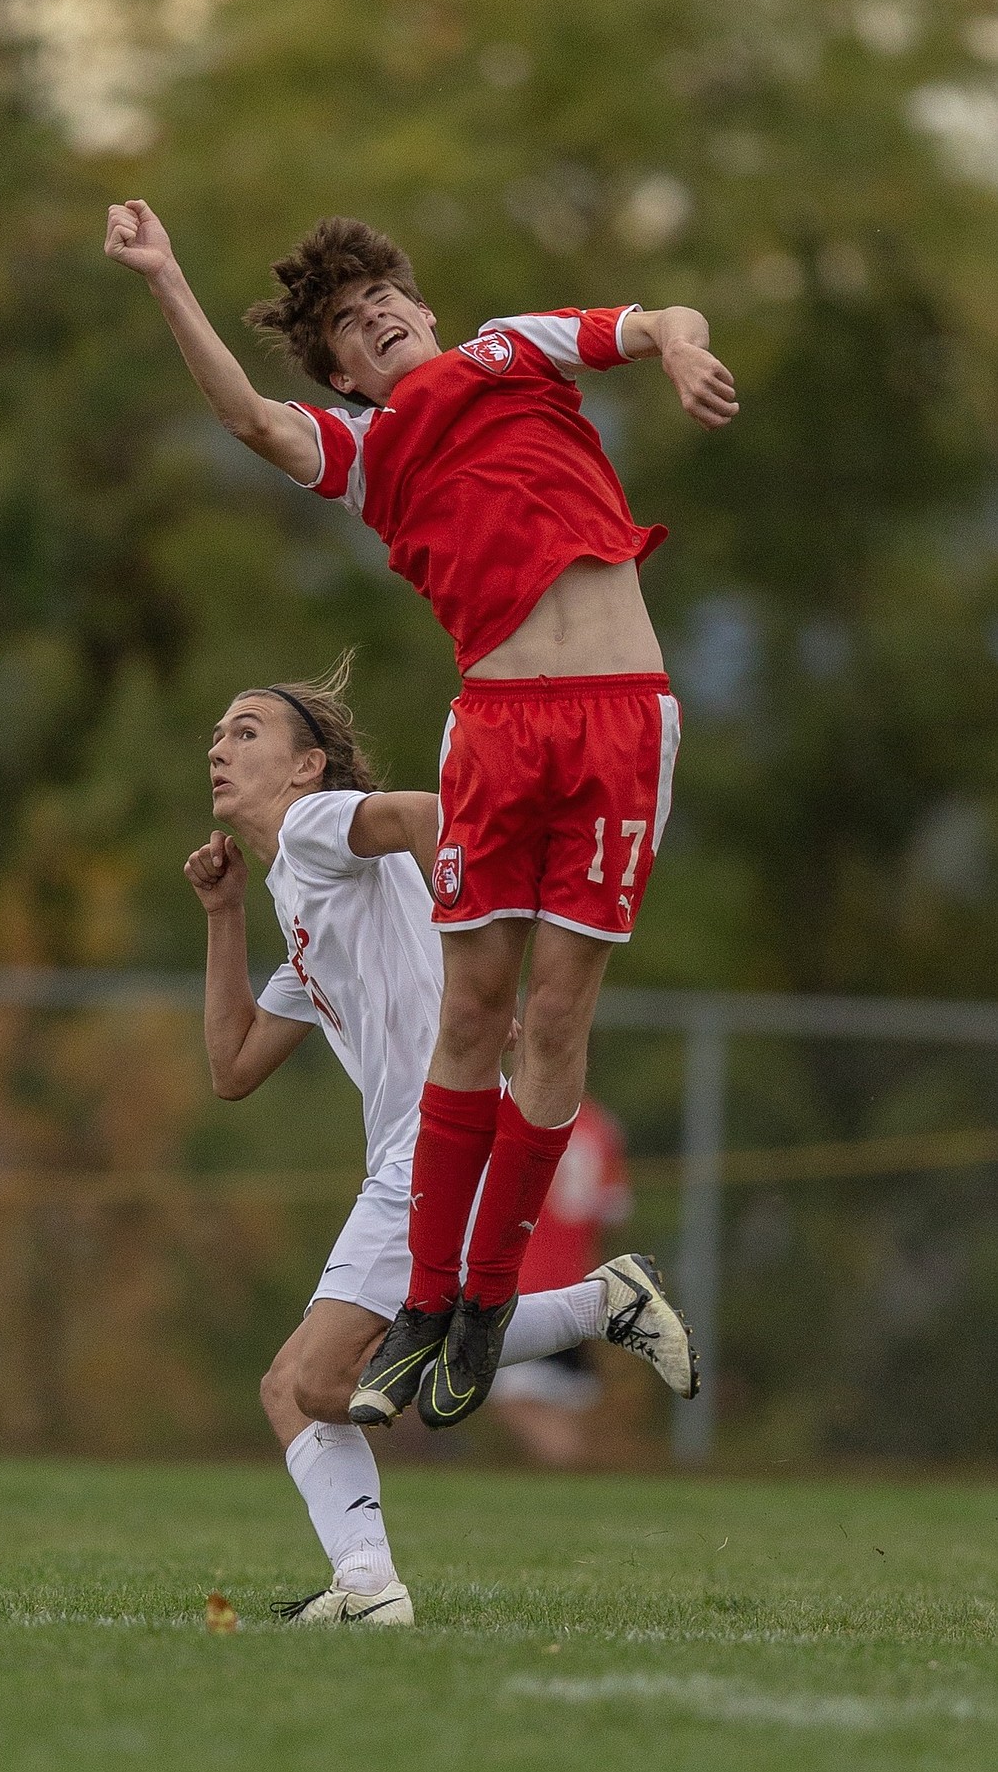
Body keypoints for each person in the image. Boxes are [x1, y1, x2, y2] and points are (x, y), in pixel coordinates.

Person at [107, 199, 734, 1429]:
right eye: (347, 320)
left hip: (618, 716)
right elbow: (243, 418)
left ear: (426, 308)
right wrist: (166, 275)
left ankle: (483, 1301)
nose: (377, 316)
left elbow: (656, 315)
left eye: (386, 295)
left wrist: (682, 348)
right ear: (342, 370)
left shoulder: (511, 348)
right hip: (496, 729)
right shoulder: (363, 451)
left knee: (556, 1017)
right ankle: (435, 1305)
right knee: (477, 1015)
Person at [186, 658, 697, 1625]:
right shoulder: (299, 894)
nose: (220, 745)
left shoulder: (317, 824)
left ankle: (598, 1306)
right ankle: (370, 1584)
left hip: (432, 1140)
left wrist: (483, 982)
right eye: (217, 732)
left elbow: (430, 813)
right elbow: (234, 1065)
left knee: (319, 1380)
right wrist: (222, 919)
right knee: (290, 1386)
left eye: (248, 730)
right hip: (409, 1150)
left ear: (307, 768)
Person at [490, 1095, 636, 1468]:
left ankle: (574, 1472)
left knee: (512, 1398)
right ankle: (575, 1484)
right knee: (565, 1403)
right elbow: (614, 1214)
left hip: (525, 1284)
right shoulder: (601, 1126)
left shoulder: (516, 1114)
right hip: (580, 1286)